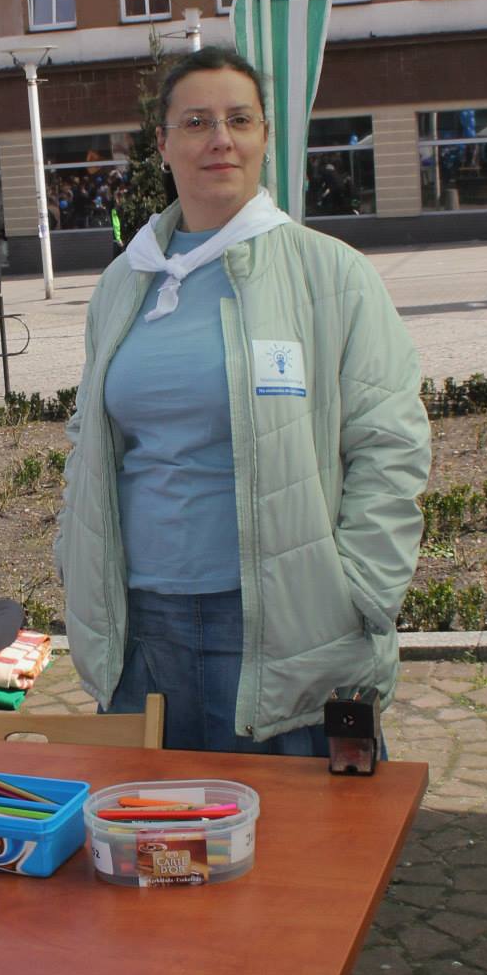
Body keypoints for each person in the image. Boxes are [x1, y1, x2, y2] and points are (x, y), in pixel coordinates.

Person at [57, 49, 429, 755]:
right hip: (141, 630)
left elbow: (391, 444)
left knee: (299, 827)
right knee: (156, 823)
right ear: (163, 143)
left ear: (264, 138)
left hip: (288, 627)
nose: (219, 139)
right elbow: (90, 441)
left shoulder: (332, 275)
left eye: (239, 120)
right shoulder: (125, 283)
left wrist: (360, 592)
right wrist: (73, 559)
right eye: (196, 122)